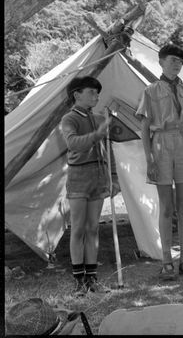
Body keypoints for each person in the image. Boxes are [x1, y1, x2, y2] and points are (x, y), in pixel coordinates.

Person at [136, 44, 183, 281]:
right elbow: (144, 128)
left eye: (180, 61)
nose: (177, 64)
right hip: (161, 145)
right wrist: (149, 158)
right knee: (166, 207)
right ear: (161, 62)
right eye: (173, 60)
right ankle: (166, 261)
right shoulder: (150, 91)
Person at [61, 76, 120, 296]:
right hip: (78, 177)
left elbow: (108, 151)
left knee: (93, 228)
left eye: (97, 92)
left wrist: (113, 177)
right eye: (92, 92)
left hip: (98, 177)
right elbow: (72, 143)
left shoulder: (99, 117)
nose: (96, 96)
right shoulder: (69, 118)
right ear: (77, 94)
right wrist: (97, 134)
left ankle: (92, 278)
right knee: (77, 228)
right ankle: (79, 281)